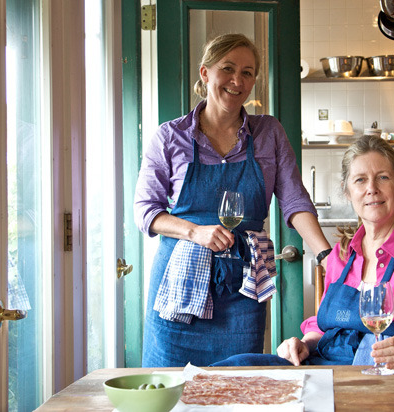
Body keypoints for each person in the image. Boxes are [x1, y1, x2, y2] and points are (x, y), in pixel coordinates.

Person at [134, 33, 331, 367]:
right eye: (228, 68)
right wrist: (195, 232)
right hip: (179, 288)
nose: (238, 80)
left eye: (248, 72)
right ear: (205, 72)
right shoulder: (171, 136)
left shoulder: (269, 133)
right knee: (171, 387)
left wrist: (327, 256)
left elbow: (295, 201)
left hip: (244, 285)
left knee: (240, 384)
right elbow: (145, 212)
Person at [215, 134, 394, 370]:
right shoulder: (341, 254)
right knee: (233, 369)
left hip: (388, 375)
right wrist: (303, 344)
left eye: (383, 177)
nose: (372, 188)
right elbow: (323, 326)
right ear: (348, 192)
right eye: (360, 180)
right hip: (326, 367)